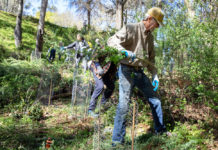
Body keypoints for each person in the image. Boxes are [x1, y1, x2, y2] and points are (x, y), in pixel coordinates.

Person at [107, 7, 168, 146]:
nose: (156, 27)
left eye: (158, 25)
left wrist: (155, 75)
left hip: (139, 72)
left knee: (155, 100)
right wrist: (124, 51)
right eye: (156, 24)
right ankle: (117, 141)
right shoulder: (131, 28)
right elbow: (111, 41)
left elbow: (151, 60)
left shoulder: (151, 38)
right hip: (126, 71)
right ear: (149, 19)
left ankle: (161, 131)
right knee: (123, 104)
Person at [87, 39, 117, 117]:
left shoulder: (118, 54)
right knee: (100, 86)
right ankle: (90, 110)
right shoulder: (104, 49)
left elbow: (113, 66)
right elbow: (94, 58)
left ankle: (101, 105)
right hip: (96, 66)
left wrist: (114, 76)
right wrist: (98, 66)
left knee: (111, 86)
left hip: (105, 71)